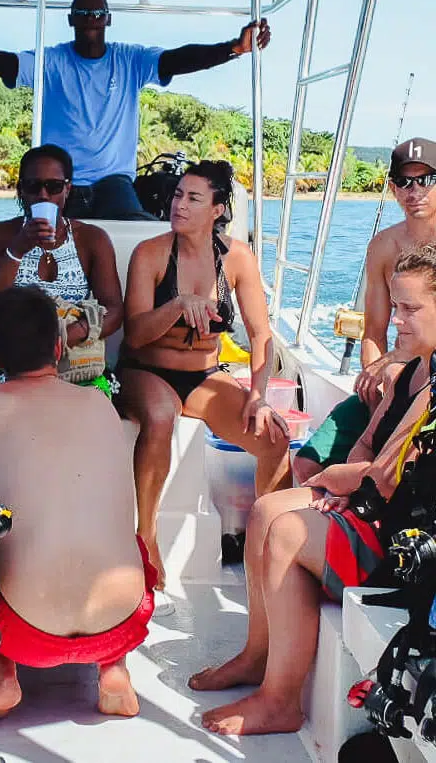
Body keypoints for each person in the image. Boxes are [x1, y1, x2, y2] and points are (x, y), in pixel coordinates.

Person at [188, 244, 436, 736]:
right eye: (395, 305)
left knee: (286, 533)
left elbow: (384, 476)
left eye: (411, 309)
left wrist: (332, 482)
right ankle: (257, 656)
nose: (396, 320)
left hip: (402, 544)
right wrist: (344, 486)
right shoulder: (412, 370)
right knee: (265, 511)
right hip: (376, 509)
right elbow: (367, 447)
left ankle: (280, 702)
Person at [0, 285, 157, 724]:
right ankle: (114, 668)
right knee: (123, 540)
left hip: (22, 635)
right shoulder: (99, 403)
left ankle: (1, 675)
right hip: (123, 621)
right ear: (60, 348)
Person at [0, 0, 270, 219]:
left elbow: (178, 60)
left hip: (113, 182)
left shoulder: (130, 60)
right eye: (82, 12)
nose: (90, 18)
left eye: (97, 12)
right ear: (71, 19)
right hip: (59, 184)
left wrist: (234, 49)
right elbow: (1, 65)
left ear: (108, 19)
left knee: (141, 232)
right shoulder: (51, 62)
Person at [118, 160, 290, 588]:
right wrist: (177, 306)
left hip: (204, 376)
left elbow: (261, 333)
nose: (180, 204)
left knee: (275, 438)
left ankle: (267, 546)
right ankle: (147, 535)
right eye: (177, 195)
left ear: (217, 209)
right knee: (159, 417)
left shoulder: (238, 258)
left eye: (193, 198)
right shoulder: (151, 253)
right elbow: (136, 335)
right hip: (145, 370)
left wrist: (258, 395)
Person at [293, 136, 436, 484]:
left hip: (429, 385)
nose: (414, 190)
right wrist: (379, 380)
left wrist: (399, 368)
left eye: (426, 180)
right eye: (404, 182)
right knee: (306, 465)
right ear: (392, 188)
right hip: (397, 380)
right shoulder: (383, 247)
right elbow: (374, 332)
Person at [0, 144, 123, 391]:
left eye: (54, 187)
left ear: (68, 189)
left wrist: (72, 334)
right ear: (21, 190)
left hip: (76, 364)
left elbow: (115, 311)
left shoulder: (92, 239)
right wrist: (17, 251)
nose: (43, 195)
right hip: (15, 365)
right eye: (33, 186)